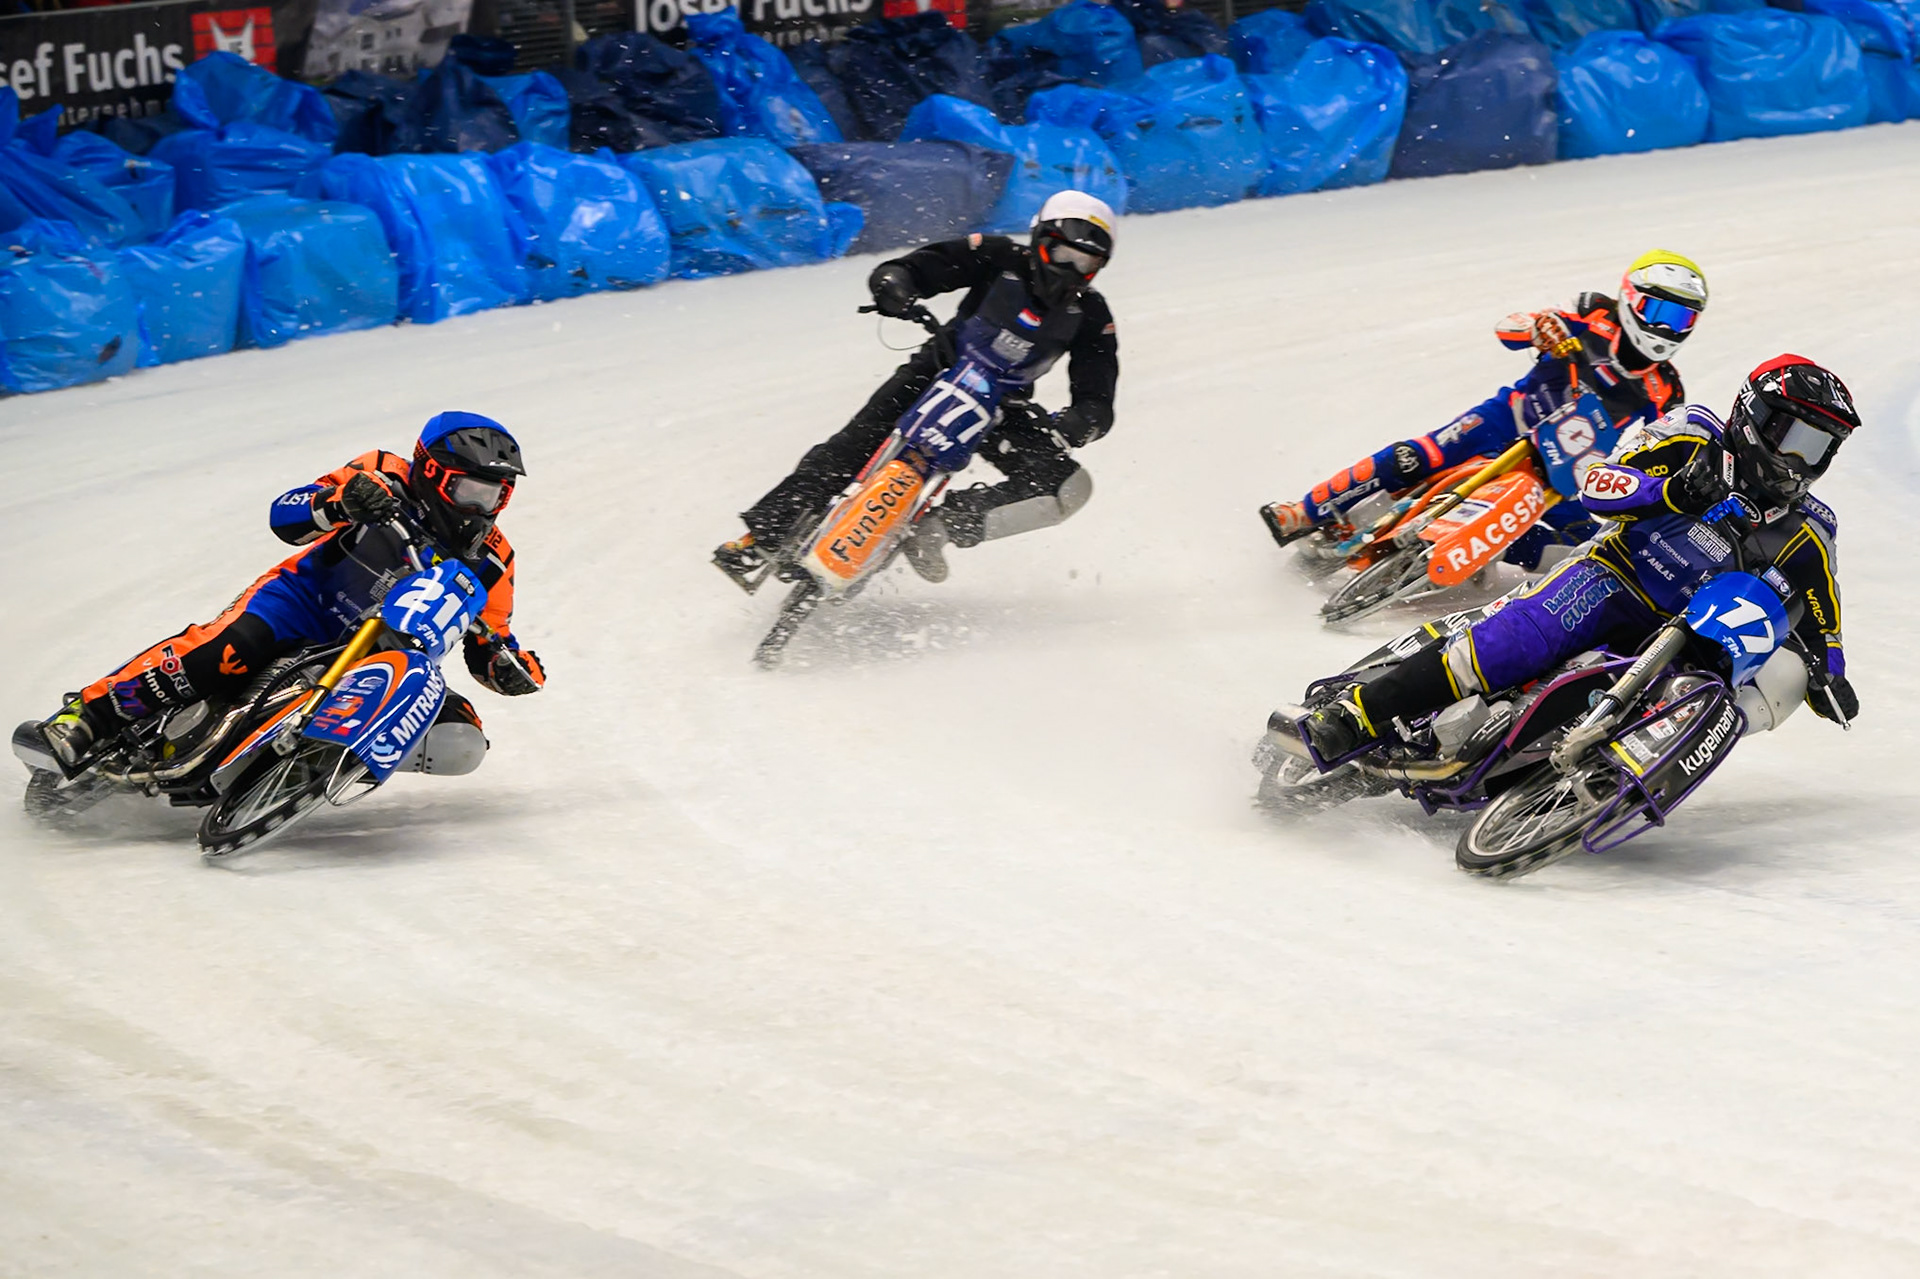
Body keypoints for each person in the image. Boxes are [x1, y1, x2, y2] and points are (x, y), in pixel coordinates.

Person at [1300, 355, 1860, 760]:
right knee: (1511, 644)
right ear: (1753, 417)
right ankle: (1353, 717)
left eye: (1819, 448)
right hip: (1613, 575)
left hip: (1683, 636)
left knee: (1741, 685)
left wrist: (1827, 673)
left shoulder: (1811, 528)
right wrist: (1669, 494)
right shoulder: (1693, 435)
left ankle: (1597, 774)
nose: (1800, 460)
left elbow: (1822, 617)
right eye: (1793, 438)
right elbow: (1599, 483)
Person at [13, 411, 545, 780]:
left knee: (461, 738)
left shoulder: (495, 559)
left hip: (386, 653)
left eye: (495, 494)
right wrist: (341, 501)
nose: (483, 507)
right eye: (471, 491)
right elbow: (287, 513)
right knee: (223, 653)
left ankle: (317, 765)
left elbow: (491, 637)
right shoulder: (383, 472)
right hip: (302, 602)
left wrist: (510, 667)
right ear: (431, 471)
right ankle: (87, 718)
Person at [713, 189, 1121, 591]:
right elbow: (921, 268)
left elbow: (1097, 390)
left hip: (1002, 408)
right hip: (940, 370)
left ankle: (940, 527)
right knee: (854, 445)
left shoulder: (1091, 315)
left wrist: (1083, 421)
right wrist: (895, 284)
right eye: (1062, 254)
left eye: (1083, 262)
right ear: (1038, 240)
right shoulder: (995, 256)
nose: (1068, 269)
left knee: (1068, 487)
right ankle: (763, 538)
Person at [1260, 250, 1710, 570]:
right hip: (1505, 421)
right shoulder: (1592, 313)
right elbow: (1509, 326)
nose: (1665, 328)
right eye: (1659, 311)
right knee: (1414, 457)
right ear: (1631, 298)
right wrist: (1538, 327)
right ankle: (1303, 511)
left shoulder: (1665, 388)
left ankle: (1465, 566)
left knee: (1579, 548)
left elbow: (1655, 451)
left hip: (1566, 472)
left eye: (1681, 320)